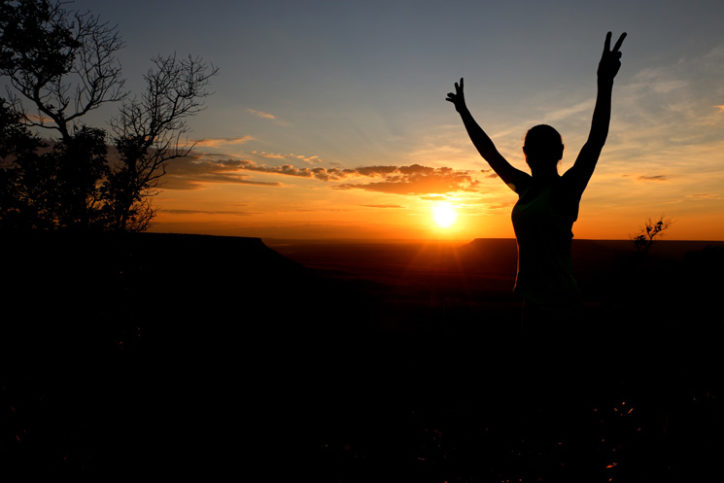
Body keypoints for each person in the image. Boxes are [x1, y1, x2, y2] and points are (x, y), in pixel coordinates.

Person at [446, 32, 626, 332]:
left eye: (539, 147)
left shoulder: (566, 190)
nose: (534, 153)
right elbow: (490, 153)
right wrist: (464, 113)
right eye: (532, 146)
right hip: (531, 303)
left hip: (562, 307)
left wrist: (605, 82)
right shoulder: (526, 189)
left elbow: (596, 139)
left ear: (554, 153)